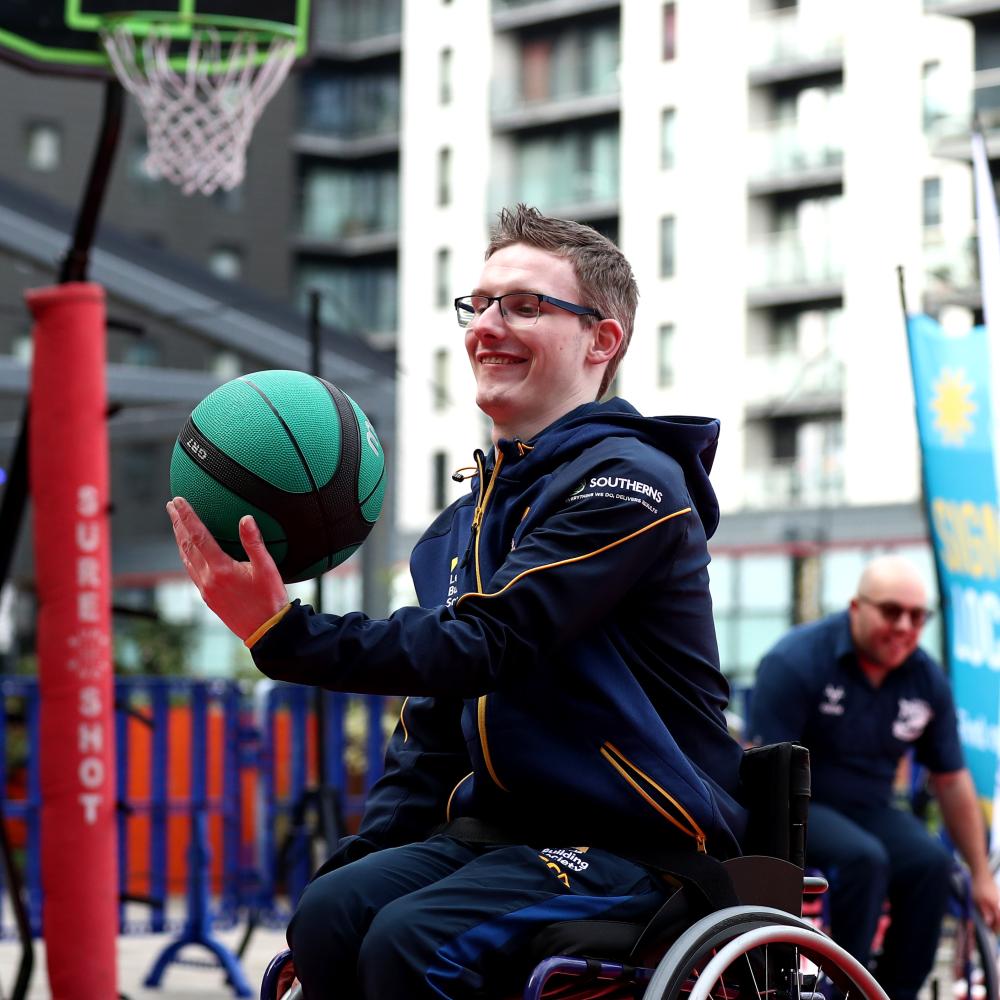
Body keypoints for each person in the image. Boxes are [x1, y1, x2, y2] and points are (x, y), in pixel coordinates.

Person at [167, 204, 747, 999]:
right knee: (331, 911)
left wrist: (286, 633)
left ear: (602, 340)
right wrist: (366, 852)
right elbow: (433, 735)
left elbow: (488, 641)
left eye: (525, 306)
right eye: (479, 304)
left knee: (413, 941)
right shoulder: (454, 531)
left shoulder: (635, 485)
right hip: (500, 838)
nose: (488, 325)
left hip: (638, 842)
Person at [749, 554, 1000, 1000]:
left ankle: (893, 992)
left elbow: (951, 779)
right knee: (864, 858)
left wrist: (981, 875)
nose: (905, 626)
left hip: (872, 807)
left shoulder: (926, 677)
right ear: (856, 607)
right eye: (891, 611)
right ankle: (845, 985)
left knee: (932, 864)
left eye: (917, 616)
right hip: (798, 808)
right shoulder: (795, 661)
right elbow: (761, 772)